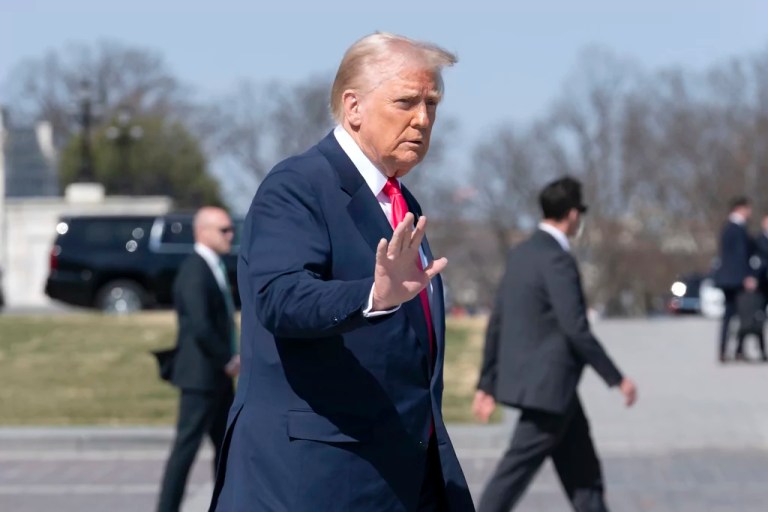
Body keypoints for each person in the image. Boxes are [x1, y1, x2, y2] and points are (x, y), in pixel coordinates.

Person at [209, 33, 474, 512]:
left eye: (431, 103)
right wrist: (373, 295)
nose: (423, 118)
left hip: (400, 477)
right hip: (316, 482)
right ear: (353, 107)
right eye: (406, 101)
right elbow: (280, 297)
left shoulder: (400, 202)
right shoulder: (297, 185)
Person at [472, 177, 637, 512]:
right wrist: (616, 378)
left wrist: (486, 382)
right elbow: (575, 328)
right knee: (512, 475)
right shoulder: (557, 259)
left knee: (584, 476)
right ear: (574, 214)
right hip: (549, 389)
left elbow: (497, 321)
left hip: (551, 390)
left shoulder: (521, 253)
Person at [157, 207, 240, 512]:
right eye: (224, 230)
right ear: (203, 232)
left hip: (217, 377)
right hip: (200, 376)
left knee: (227, 448)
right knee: (185, 449)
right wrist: (227, 359)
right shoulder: (194, 269)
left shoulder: (213, 266)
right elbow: (200, 325)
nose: (231, 235)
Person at [713, 197, 758, 362]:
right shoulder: (737, 229)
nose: (750, 213)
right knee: (740, 315)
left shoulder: (727, 228)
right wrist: (747, 276)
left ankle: (725, 350)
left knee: (730, 315)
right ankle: (737, 350)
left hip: (727, 278)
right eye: (748, 209)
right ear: (740, 209)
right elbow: (740, 256)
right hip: (737, 279)